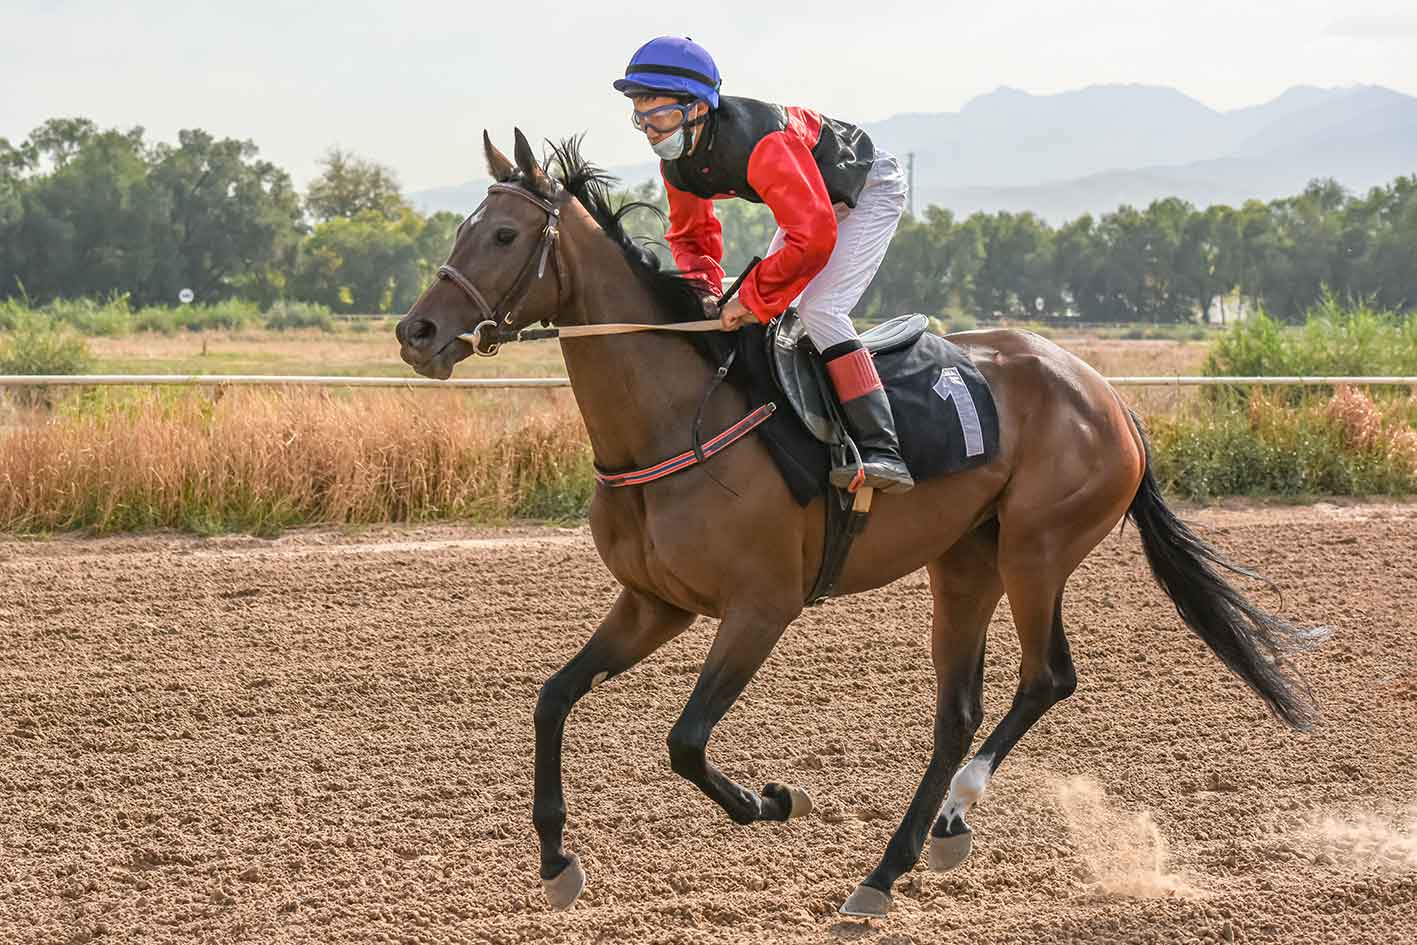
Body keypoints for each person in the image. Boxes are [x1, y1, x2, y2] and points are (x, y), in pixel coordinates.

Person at [614, 36, 914, 494]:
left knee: (820, 310)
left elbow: (813, 238)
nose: (651, 131)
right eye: (641, 116)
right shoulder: (677, 164)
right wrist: (707, 293)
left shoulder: (763, 144)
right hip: (814, 201)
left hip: (868, 189)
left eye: (662, 115)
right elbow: (692, 237)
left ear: (699, 108)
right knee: (770, 312)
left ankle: (882, 448)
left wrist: (752, 300)